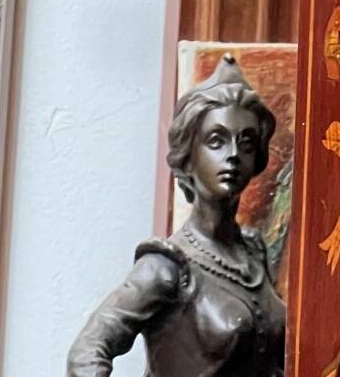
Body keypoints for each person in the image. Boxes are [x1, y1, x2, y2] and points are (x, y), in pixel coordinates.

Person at [65, 55, 287, 377]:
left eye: (247, 142)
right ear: (189, 156)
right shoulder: (167, 267)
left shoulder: (254, 253)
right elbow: (87, 351)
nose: (233, 155)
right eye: (216, 141)